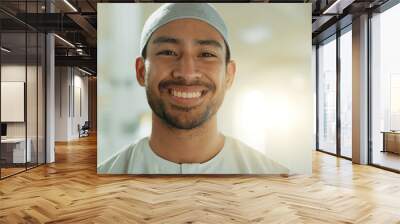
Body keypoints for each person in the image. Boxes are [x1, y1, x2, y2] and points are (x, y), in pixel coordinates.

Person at [98, 3, 289, 174]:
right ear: (141, 71)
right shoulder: (108, 174)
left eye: (206, 54)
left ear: (229, 75)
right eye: (168, 52)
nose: (187, 73)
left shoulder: (274, 177)